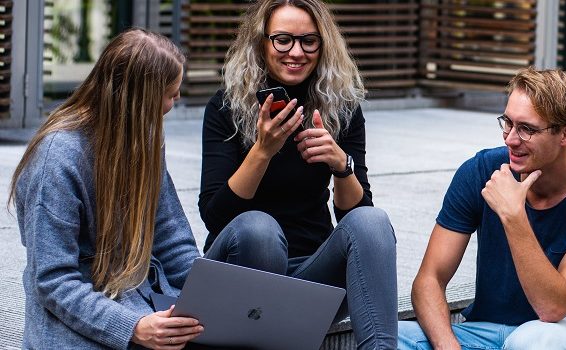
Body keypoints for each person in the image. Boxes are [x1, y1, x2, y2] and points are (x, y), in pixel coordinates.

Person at [198, 0, 397, 348]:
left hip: (310, 277)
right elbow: (215, 217)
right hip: (241, 274)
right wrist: (262, 151)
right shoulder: (225, 107)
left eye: (309, 41)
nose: (296, 52)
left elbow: (356, 215)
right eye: (283, 39)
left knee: (374, 222)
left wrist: (340, 164)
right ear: (262, 42)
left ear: (323, 45)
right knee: (259, 228)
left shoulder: (341, 108)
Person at [398, 67, 566, 350]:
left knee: (539, 341)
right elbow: (429, 280)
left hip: (558, 335)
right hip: (482, 333)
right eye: (507, 123)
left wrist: (513, 214)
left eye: (527, 129)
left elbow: (553, 308)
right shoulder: (481, 170)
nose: (510, 138)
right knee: (392, 336)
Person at [11, 29, 203, 349]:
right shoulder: (56, 159)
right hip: (81, 308)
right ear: (140, 100)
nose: (177, 100)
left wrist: (203, 300)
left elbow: (171, 236)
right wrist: (133, 327)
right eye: (171, 93)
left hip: (139, 290)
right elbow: (53, 281)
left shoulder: (146, 138)